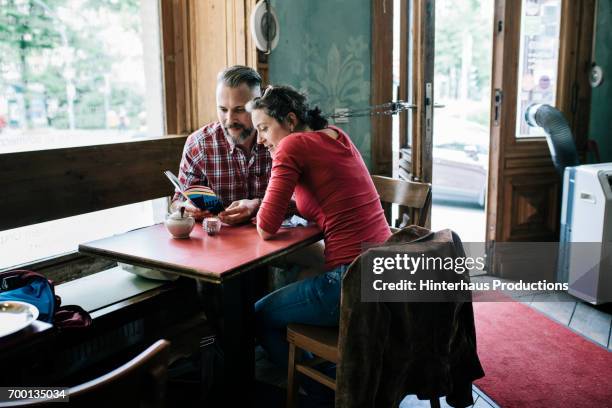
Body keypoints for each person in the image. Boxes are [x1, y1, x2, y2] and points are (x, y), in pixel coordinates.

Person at [249, 85, 392, 374]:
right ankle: (320, 373)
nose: (261, 140)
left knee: (258, 315)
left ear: (290, 121)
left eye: (264, 128)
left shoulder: (292, 145)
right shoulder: (336, 136)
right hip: (384, 271)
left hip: (352, 282)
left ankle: (315, 392)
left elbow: (265, 227)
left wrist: (260, 207)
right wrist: (260, 204)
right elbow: (319, 195)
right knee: (303, 273)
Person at [170, 65, 271, 225]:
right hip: (218, 242)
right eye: (223, 109)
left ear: (259, 105)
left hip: (274, 239)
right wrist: (186, 207)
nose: (230, 120)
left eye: (239, 110)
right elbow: (177, 202)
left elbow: (300, 201)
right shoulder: (198, 144)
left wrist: (259, 205)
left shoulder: (276, 140)